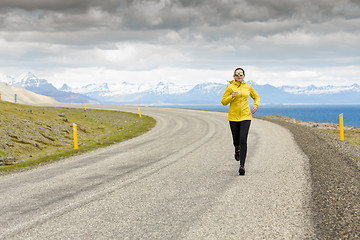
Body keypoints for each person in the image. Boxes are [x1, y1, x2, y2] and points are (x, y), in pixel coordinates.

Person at [221, 67, 260, 175]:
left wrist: (256, 105)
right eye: (237, 74)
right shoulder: (230, 87)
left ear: (244, 76)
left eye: (241, 74)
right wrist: (231, 97)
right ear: (234, 76)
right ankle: (237, 149)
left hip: (246, 116)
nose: (239, 76)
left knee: (243, 140)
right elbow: (223, 102)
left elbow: (256, 97)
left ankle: (242, 166)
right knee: (236, 141)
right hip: (233, 118)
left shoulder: (248, 87)